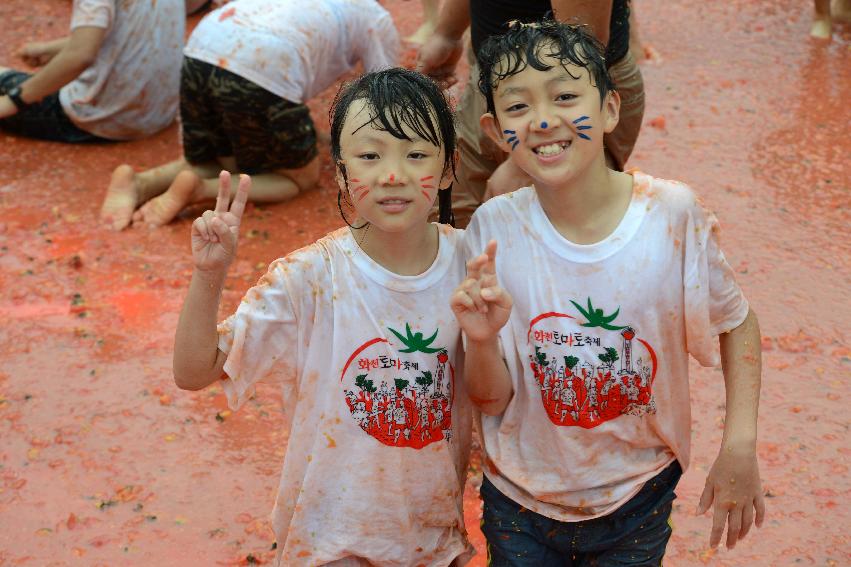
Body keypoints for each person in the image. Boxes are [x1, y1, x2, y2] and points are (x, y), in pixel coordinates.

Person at [451, 20, 766, 564]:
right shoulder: (490, 231)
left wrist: (738, 444)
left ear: (610, 110)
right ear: (494, 128)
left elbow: (737, 323)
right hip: (517, 499)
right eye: (518, 107)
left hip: (639, 491)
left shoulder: (671, 216)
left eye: (566, 96)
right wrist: (480, 341)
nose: (544, 119)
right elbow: (492, 400)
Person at [172, 68, 474, 566]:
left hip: (433, 540)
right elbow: (193, 371)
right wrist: (209, 275)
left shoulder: (472, 264)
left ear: (447, 169)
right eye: (370, 156)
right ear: (340, 172)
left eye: (416, 154)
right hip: (328, 541)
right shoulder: (308, 277)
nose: (392, 174)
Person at [99, 0, 399, 231]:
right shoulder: (373, 15)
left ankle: (139, 182)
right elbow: (386, 96)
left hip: (201, 48)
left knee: (208, 158)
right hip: (262, 65)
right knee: (300, 177)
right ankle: (201, 190)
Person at [417, 0, 643, 226]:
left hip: (573, 89)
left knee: (554, 231)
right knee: (449, 223)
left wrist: (524, 162)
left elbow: (581, 52)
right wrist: (448, 33)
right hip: (491, 77)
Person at [0, 0, 183, 143]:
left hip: (104, 119)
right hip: (159, 114)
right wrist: (55, 49)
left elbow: (80, 57)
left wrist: (13, 101)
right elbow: (132, 30)